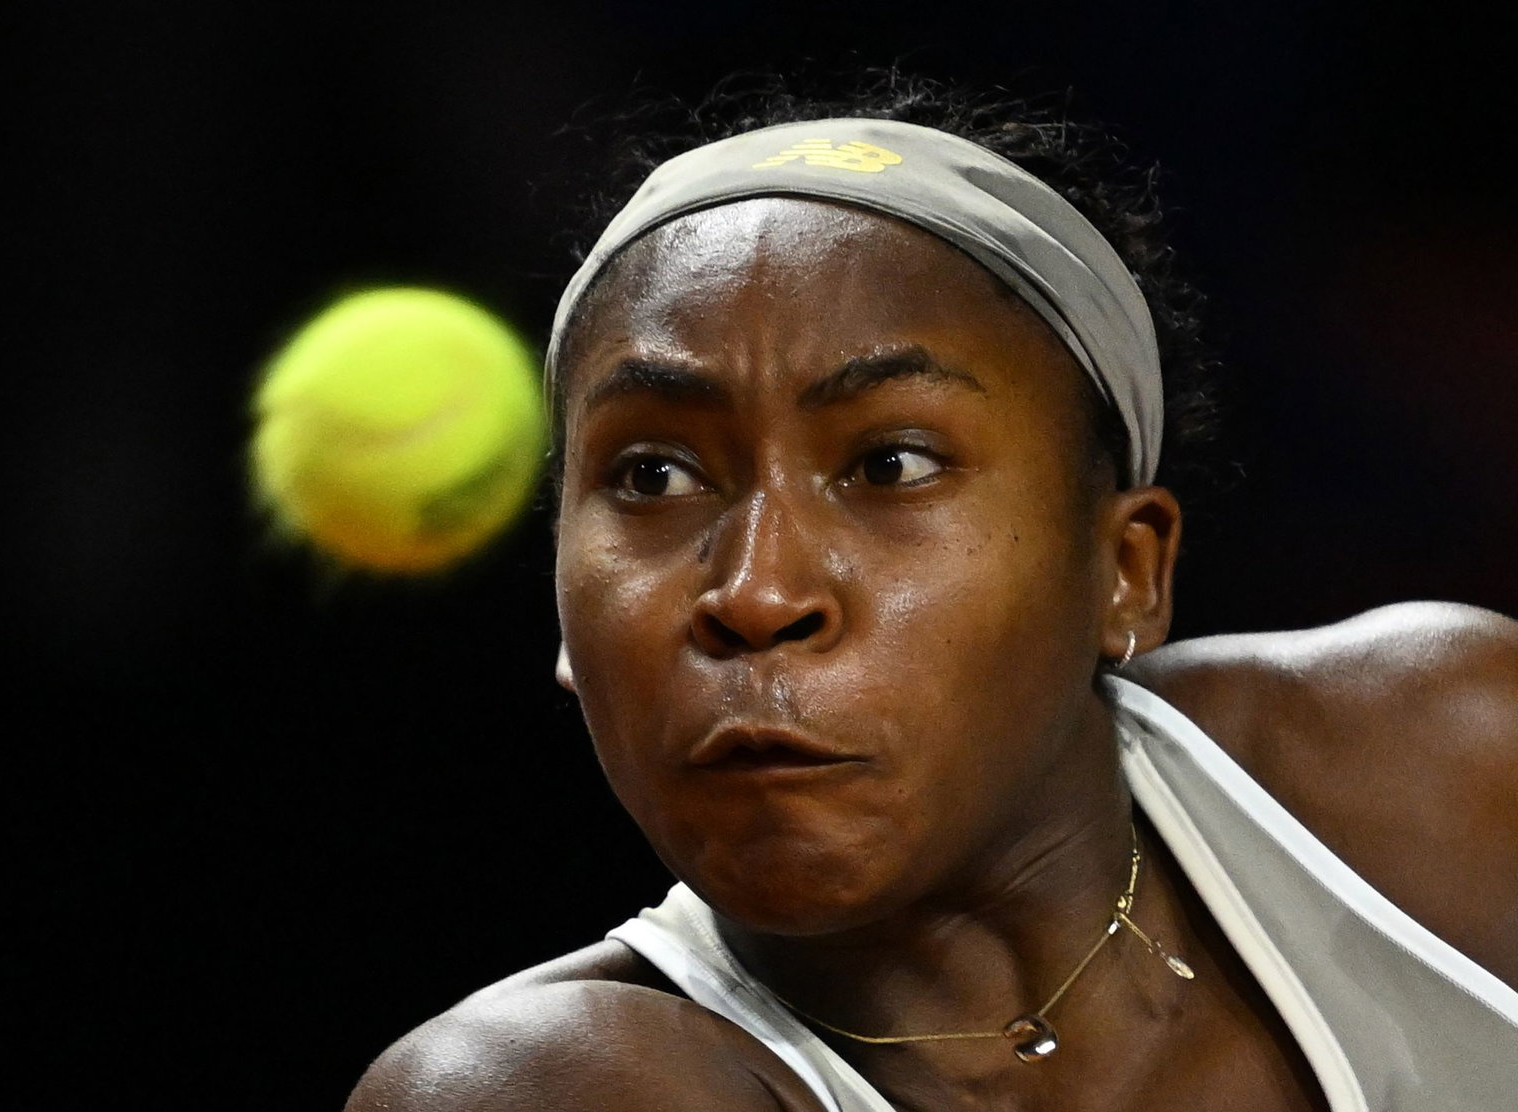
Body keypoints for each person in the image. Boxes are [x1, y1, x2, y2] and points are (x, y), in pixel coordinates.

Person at [344, 77, 1518, 1111]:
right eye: (652, 475)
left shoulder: (1452, 758)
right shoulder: (537, 1088)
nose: (755, 593)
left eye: (890, 463)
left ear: (1126, 571)